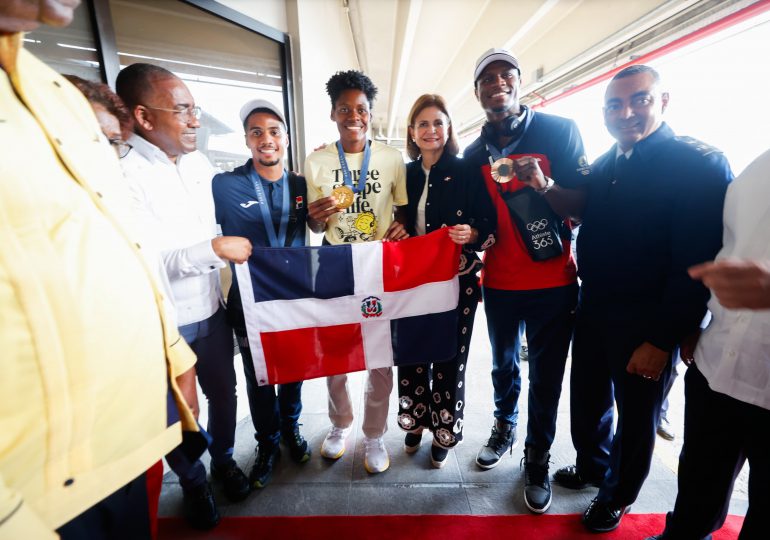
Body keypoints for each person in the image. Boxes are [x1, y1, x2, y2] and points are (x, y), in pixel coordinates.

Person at [0, 1, 201, 537]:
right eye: (180, 108)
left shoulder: (58, 96)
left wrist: (173, 350)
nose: (193, 120)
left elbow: (120, 242)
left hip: (127, 445)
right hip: (34, 492)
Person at [559, 65, 732, 533]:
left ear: (663, 101)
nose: (626, 112)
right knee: (589, 399)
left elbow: (695, 263)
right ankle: (593, 466)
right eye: (615, 105)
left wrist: (663, 338)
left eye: (639, 100)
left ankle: (617, 494)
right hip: (594, 306)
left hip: (647, 318)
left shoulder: (697, 164)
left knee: (637, 417)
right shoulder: (608, 162)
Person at [116, 63, 253, 529]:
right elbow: (151, 262)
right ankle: (194, 482)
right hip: (163, 323)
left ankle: (224, 460)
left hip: (211, 310)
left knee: (224, 392)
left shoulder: (198, 164)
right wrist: (213, 249)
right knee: (180, 411)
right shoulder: (123, 176)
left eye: (195, 109)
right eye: (183, 110)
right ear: (145, 117)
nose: (196, 119)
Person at [463, 48, 590, 514]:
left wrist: (544, 185)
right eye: (487, 79)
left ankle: (537, 454)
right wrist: (473, 233)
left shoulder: (559, 131)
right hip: (497, 284)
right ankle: (504, 425)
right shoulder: (473, 153)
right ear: (477, 93)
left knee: (547, 376)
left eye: (506, 75)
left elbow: (583, 206)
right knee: (502, 367)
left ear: (518, 83)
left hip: (554, 283)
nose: (498, 83)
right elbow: (475, 219)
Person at [646, 148, 770, 540]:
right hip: (715, 361)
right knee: (699, 483)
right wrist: (696, 322)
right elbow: (727, 250)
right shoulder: (758, 167)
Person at [305, 70, 408, 474]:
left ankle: (374, 433)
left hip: (377, 263)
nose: (354, 115)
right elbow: (314, 226)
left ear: (370, 114)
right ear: (333, 113)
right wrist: (314, 219)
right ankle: (339, 424)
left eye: (361, 109)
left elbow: (400, 213)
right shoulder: (316, 161)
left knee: (379, 355)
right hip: (333, 261)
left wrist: (401, 228)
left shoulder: (391, 158)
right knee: (334, 351)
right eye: (345, 108)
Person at [211, 99, 311, 490]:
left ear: (285, 138)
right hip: (249, 302)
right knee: (259, 378)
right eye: (257, 132)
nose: (266, 139)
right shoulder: (225, 185)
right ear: (247, 140)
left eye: (273, 131)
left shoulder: (302, 184)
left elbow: (318, 222)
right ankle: (267, 444)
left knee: (296, 370)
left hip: (296, 298)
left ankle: (291, 428)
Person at [396, 94, 496, 468]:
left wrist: (471, 234)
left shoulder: (467, 170)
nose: (431, 130)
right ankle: (415, 421)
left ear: (448, 128)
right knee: (412, 350)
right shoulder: (403, 173)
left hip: (458, 279)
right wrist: (398, 228)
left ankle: (443, 429)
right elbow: (394, 217)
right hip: (412, 280)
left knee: (450, 355)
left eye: (438, 122)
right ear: (412, 131)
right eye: (422, 123)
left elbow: (489, 225)